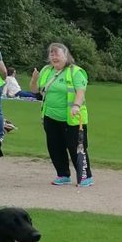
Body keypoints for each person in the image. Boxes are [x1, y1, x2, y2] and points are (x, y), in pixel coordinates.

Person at [30, 43, 92, 186]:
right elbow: (35, 90)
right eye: (51, 54)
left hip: (72, 118)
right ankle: (63, 174)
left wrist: (76, 105)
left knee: (76, 147)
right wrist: (34, 78)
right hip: (50, 116)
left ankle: (85, 176)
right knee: (54, 146)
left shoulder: (76, 72)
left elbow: (80, 92)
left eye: (57, 54)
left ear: (66, 55)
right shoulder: (46, 70)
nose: (54, 57)